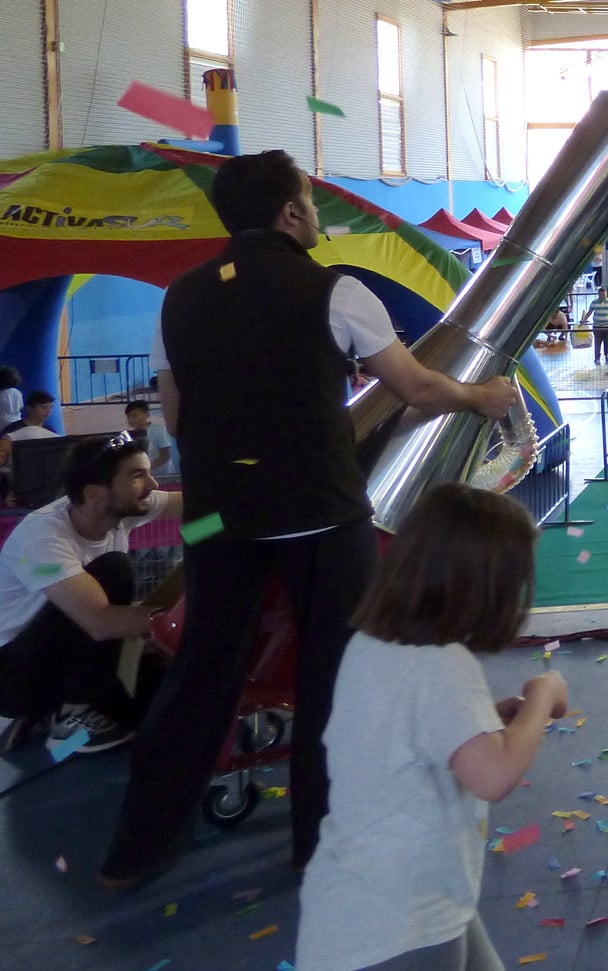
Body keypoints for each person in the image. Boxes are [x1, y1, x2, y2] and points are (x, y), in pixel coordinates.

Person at [105, 150, 516, 889]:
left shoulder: (178, 299)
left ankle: (136, 850)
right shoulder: (338, 292)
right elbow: (416, 388)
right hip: (322, 516)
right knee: (335, 679)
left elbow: (177, 415)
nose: (317, 214)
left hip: (215, 521)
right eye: (310, 200)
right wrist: (481, 398)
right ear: (291, 212)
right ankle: (317, 845)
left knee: (201, 672)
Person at [295, 483, 566, 971]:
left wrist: (487, 721)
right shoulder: (442, 663)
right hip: (403, 923)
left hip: (365, 903)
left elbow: (407, 734)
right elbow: (494, 775)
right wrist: (543, 695)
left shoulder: (374, 645)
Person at [0, 434, 179, 752]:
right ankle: (68, 720)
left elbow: (197, 506)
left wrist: (228, 520)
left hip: (63, 662)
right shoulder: (41, 538)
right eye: (138, 475)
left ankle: (54, 724)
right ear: (94, 494)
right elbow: (100, 622)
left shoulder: (118, 507)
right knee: (114, 569)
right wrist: (177, 621)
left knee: (161, 698)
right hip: (14, 674)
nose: (152, 485)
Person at [589, 288, 608, 369]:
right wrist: (583, 321)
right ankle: (597, 358)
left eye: (604, 294)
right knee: (597, 343)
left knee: (607, 342)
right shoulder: (594, 302)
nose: (602, 296)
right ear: (598, 294)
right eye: (601, 294)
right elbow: (589, 312)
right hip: (597, 326)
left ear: (606, 294)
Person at [0, 365, 21, 429]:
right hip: (17, 423)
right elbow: (20, 408)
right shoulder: (17, 392)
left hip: (2, 425)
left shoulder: (1, 394)